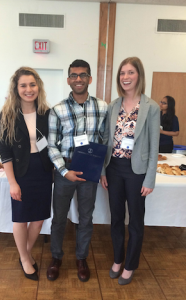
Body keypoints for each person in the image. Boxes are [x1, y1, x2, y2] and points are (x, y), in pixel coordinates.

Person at [47, 59, 108, 282]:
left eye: (83, 75)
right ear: (68, 80)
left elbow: (104, 140)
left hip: (89, 171)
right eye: (74, 75)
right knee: (59, 218)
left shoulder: (103, 107)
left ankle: (81, 258)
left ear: (90, 79)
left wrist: (101, 170)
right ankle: (56, 257)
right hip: (65, 169)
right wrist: (64, 171)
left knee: (86, 218)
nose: (78, 79)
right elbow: (52, 145)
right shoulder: (57, 109)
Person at [101, 57, 160, 285]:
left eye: (130, 73)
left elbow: (154, 145)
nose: (125, 77)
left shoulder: (151, 107)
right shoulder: (113, 105)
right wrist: (103, 171)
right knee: (116, 217)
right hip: (114, 168)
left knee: (135, 220)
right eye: (122, 73)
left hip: (137, 171)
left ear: (139, 76)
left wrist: (150, 179)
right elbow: (107, 139)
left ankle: (130, 265)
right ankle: (117, 259)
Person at [0, 67, 53, 281]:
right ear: (16, 88)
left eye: (32, 84)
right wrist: (12, 182)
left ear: (38, 86)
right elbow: (5, 153)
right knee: (21, 219)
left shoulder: (46, 113)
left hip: (43, 170)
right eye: (23, 85)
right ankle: (25, 258)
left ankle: (25, 254)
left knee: (38, 219)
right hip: (20, 172)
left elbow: (50, 144)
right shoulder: (7, 116)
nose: (28, 89)